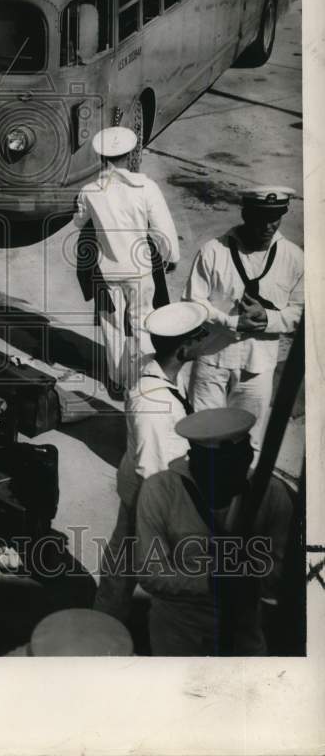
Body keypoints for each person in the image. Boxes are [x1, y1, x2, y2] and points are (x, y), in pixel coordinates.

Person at [134, 407, 292, 656]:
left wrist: (250, 581)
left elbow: (283, 572)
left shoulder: (271, 493)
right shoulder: (160, 490)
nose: (238, 478)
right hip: (178, 629)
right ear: (195, 460)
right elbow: (150, 573)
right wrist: (211, 583)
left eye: (244, 462)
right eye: (225, 468)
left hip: (243, 629)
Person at [94, 300, 212, 622]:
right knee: (138, 570)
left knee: (121, 564)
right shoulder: (153, 404)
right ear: (183, 349)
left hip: (152, 488)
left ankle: (107, 618)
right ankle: (105, 631)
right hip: (150, 497)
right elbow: (152, 469)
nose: (203, 340)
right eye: (198, 336)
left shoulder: (163, 373)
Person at [183, 187, 303, 452]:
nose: (269, 225)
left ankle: (240, 492)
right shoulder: (213, 251)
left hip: (257, 366)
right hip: (212, 360)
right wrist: (233, 323)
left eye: (276, 217)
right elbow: (193, 304)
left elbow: (301, 311)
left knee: (249, 442)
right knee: (203, 435)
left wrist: (268, 319)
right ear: (246, 214)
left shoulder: (293, 257)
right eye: (261, 217)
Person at [72, 126, 180, 396]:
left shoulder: (90, 190)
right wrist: (171, 257)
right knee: (143, 322)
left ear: (102, 157)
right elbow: (162, 227)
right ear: (131, 154)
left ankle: (118, 381)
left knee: (112, 326)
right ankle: (145, 379)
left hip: (107, 271)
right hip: (140, 270)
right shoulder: (146, 187)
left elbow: (78, 221)